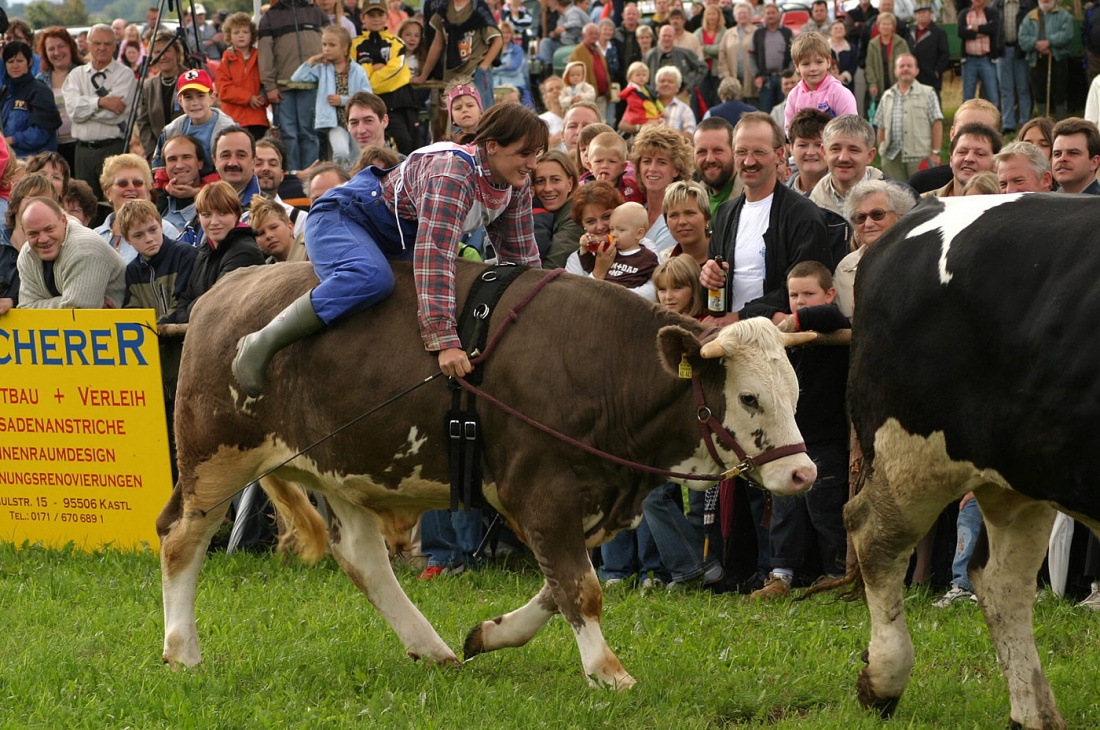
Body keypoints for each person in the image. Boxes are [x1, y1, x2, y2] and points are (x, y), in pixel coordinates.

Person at [232, 103, 548, 397]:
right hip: (344, 217)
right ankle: (263, 341)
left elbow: (522, 259)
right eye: (525, 154)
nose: (532, 165)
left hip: (398, 240)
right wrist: (445, 341)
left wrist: (539, 321)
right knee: (372, 277)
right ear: (492, 146)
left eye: (537, 154)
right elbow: (435, 255)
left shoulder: (515, 181)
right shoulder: (453, 172)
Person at [752, 260, 850, 598]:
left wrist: (793, 321)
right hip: (790, 441)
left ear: (830, 293)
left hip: (825, 440)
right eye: (794, 295)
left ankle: (837, 571)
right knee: (785, 509)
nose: (801, 301)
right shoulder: (783, 337)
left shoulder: (833, 324)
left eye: (809, 293)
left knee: (827, 510)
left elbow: (832, 318)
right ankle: (781, 575)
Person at [700, 110, 832, 325]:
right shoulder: (724, 214)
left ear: (779, 155)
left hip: (778, 340)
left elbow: (803, 289)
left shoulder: (803, 215)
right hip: (729, 335)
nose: (749, 161)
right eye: (741, 152)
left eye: (759, 152)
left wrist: (742, 317)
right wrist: (707, 277)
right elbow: (714, 287)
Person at [644, 253, 724, 590]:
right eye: (662, 289)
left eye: (677, 287)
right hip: (662, 427)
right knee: (656, 496)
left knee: (662, 497)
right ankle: (677, 569)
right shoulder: (657, 328)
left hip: (698, 428)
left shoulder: (707, 327)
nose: (668, 296)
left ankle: (692, 567)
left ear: (695, 287)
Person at [164, 181, 266, 324]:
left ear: (236, 215)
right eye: (206, 214)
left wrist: (189, 315)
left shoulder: (245, 251)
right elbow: (184, 299)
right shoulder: (204, 250)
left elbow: (214, 303)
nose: (214, 222)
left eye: (222, 213)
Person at [62, 24, 136, 200]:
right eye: (97, 43)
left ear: (115, 46)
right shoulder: (76, 75)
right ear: (88, 45)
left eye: (107, 43)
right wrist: (101, 102)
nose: (102, 48)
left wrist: (85, 108)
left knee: (116, 201)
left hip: (113, 148)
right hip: (82, 152)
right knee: (84, 205)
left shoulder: (124, 74)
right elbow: (73, 111)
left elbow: (116, 114)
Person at [15, 196, 126, 310]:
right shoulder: (27, 253)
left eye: (49, 229)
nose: (43, 239)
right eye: (33, 234)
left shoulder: (85, 248)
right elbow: (25, 308)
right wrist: (66, 301)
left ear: (63, 220)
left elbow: (78, 313)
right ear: (24, 231)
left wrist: (42, 304)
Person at [259, 0, 326, 173]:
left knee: (310, 133)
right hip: (282, 87)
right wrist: (269, 85)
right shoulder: (270, 16)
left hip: (313, 85)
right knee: (288, 136)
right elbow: (265, 54)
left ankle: (312, 177)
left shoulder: (316, 13)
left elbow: (331, 45)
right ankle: (292, 178)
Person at [833, 178, 916, 318]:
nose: (868, 223)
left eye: (877, 214)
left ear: (900, 217)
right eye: (861, 217)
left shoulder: (920, 259)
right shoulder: (845, 269)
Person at [292, 25, 372, 170]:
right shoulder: (323, 69)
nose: (326, 49)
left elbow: (367, 96)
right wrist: (312, 60)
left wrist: (342, 100)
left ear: (344, 47)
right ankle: (340, 181)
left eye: (331, 45)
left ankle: (354, 180)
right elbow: (297, 77)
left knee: (357, 155)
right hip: (334, 122)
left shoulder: (357, 70)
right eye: (324, 45)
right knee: (341, 152)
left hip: (356, 121)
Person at [353, 0, 420, 155]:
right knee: (375, 148)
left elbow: (398, 73)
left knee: (409, 143)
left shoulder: (397, 43)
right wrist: (376, 72)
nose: (376, 18)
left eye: (380, 14)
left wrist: (370, 76)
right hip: (368, 105)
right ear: (363, 17)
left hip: (400, 103)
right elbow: (358, 74)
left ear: (387, 16)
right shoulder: (354, 45)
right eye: (371, 15)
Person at [118, 198, 197, 323]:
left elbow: (184, 303)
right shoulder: (133, 271)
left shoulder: (184, 255)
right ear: (127, 239)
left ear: (161, 225)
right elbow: (132, 312)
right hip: (151, 339)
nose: (149, 239)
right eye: (138, 235)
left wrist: (157, 327)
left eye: (153, 230)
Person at [152, 70, 238, 182]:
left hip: (218, 192)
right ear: (180, 101)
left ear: (212, 97)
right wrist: (167, 186)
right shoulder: (172, 130)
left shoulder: (229, 131)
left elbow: (232, 171)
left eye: (200, 96)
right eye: (188, 97)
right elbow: (158, 166)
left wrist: (201, 190)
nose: (194, 102)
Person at [416, 0, 502, 110]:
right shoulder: (443, 10)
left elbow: (497, 39)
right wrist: (423, 76)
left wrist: (483, 68)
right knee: (458, 120)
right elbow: (437, 45)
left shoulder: (478, 8)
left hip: (475, 73)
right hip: (453, 76)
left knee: (484, 116)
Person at [96, 153, 181, 263]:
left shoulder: (165, 230)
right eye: (122, 183)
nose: (131, 188)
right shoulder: (95, 236)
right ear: (108, 193)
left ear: (147, 189)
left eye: (138, 183)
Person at [565, 199, 658, 298]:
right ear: (582, 225)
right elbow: (575, 298)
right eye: (591, 221)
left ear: (639, 233)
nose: (600, 227)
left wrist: (615, 296)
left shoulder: (647, 251)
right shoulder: (578, 258)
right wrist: (597, 267)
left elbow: (657, 286)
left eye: (606, 217)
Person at [907, 98, 1001, 193]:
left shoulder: (1008, 189)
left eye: (982, 131)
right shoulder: (922, 185)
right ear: (952, 134)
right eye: (965, 129)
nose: (969, 158)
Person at [874, 53, 943, 182]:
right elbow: (880, 125)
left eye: (909, 66)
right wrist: (882, 149)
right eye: (902, 66)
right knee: (895, 197)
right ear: (896, 71)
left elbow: (937, 124)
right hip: (892, 158)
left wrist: (935, 153)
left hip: (919, 157)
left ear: (916, 71)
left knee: (921, 197)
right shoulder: (887, 96)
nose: (905, 68)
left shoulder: (928, 93)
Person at [630, 122, 695, 253]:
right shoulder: (636, 211)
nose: (652, 169)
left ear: (676, 169)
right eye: (647, 161)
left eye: (661, 162)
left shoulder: (678, 220)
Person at [783, 31, 857, 136]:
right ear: (797, 66)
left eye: (819, 62)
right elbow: (789, 131)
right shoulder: (793, 96)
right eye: (806, 64)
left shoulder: (840, 93)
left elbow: (851, 129)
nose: (813, 69)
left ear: (828, 62)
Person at [810, 114, 883, 216]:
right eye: (835, 149)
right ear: (824, 153)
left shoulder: (897, 201)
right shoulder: (808, 206)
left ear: (870, 156)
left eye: (854, 150)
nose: (843, 158)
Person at [1, 42, 62, 159]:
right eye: (10, 62)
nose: (15, 66)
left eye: (19, 61)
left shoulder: (39, 90)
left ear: (29, 62)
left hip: (37, 163)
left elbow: (42, 132)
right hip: (10, 162)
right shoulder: (4, 92)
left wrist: (11, 140)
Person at [215, 13, 269, 143]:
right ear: (229, 36)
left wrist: (264, 97)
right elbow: (223, 89)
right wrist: (248, 98)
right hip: (233, 118)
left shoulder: (260, 57)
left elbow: (267, 81)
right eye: (236, 32)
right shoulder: (226, 59)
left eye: (245, 32)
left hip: (257, 118)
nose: (241, 35)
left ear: (252, 35)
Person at [34, 27, 82, 171]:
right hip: (52, 149)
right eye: (51, 48)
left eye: (61, 46)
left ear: (70, 47)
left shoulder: (83, 73)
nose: (57, 52)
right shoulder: (40, 80)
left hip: (81, 146)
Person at [134, 31, 186, 161]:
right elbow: (143, 122)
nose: (163, 56)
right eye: (157, 52)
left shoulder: (190, 77)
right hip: (159, 155)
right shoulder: (148, 85)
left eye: (167, 50)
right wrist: (153, 153)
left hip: (190, 152)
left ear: (177, 52)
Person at [1018, 0, 1073, 121]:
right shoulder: (1030, 16)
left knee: (1060, 92)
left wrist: (1049, 42)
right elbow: (1022, 38)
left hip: (1057, 59)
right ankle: (1043, 123)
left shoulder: (1064, 15)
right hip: (1036, 60)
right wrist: (1036, 44)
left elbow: (1067, 34)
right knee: (1039, 93)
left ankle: (1061, 122)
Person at [531, 150, 583, 268]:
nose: (548, 188)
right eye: (540, 181)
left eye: (555, 180)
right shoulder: (536, 211)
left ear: (570, 184)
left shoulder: (576, 215)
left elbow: (551, 268)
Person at [923, 122, 1001, 198]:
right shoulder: (922, 204)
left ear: (995, 164)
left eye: (980, 154)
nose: (969, 158)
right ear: (951, 159)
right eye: (962, 152)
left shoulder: (1009, 204)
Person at [158, 134, 215, 235]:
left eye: (186, 157)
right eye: (172, 159)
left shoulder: (216, 200)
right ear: (165, 167)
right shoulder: (155, 199)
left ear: (200, 163)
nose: (179, 165)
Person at [255, 138, 309, 236]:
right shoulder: (234, 214)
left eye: (273, 164)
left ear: (282, 175)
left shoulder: (300, 219)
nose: (266, 168)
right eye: (258, 164)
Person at [996, 0, 1034, 134]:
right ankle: (1008, 124)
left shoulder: (1026, 5)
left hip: (1021, 51)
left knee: (1023, 88)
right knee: (1005, 89)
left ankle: (1025, 122)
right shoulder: (997, 5)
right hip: (1003, 51)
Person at [750, 4, 793, 114]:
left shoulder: (787, 32)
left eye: (773, 13)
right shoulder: (758, 33)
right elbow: (751, 55)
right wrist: (757, 75)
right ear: (764, 15)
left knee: (785, 110)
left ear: (779, 15)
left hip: (783, 79)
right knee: (765, 113)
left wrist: (791, 73)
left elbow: (794, 54)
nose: (771, 16)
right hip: (765, 80)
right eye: (768, 13)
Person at [693, 116, 741, 213]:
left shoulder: (751, 197)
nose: (709, 159)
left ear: (734, 151)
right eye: (701, 151)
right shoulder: (691, 199)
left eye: (717, 150)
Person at [646, 25, 707, 100]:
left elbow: (703, 67)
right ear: (659, 36)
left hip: (680, 96)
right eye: (664, 36)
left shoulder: (685, 53)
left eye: (669, 36)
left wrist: (689, 88)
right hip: (655, 98)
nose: (666, 38)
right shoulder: (650, 55)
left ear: (674, 37)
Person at [958, 0, 1000, 104]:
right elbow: (961, 32)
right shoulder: (964, 13)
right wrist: (982, 33)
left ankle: (993, 119)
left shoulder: (992, 13)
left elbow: (993, 29)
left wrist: (974, 28)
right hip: (969, 61)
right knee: (967, 98)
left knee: (993, 97)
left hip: (987, 60)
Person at [864, 12, 909, 104]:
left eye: (888, 24)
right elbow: (869, 65)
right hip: (879, 84)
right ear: (878, 26)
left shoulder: (901, 43)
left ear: (893, 27)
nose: (886, 26)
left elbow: (907, 63)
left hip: (898, 84)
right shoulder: (872, 44)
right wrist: (873, 84)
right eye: (883, 24)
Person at [719, 2, 758, 107]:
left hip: (751, 78)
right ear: (735, 16)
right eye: (739, 13)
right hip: (733, 77)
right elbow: (722, 54)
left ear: (750, 15)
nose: (742, 15)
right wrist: (726, 74)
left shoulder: (757, 32)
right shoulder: (728, 33)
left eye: (745, 13)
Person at [249, 194, 309, 263]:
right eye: (261, 233)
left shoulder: (313, 252)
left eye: (274, 227)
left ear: (290, 226)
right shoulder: (264, 269)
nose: (268, 236)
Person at [586, 131, 643, 202]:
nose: (605, 166)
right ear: (590, 166)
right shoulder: (586, 192)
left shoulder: (632, 186)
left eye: (612, 161)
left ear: (623, 167)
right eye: (599, 161)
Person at [787, 108, 830, 196]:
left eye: (818, 145)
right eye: (802, 145)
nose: (810, 152)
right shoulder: (778, 185)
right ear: (791, 148)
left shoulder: (844, 188)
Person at [1051, 117, 1100, 195]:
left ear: (1094, 162)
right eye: (1057, 154)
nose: (1062, 158)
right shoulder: (1045, 203)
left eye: (1073, 153)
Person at [618, 62, 663, 132]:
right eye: (638, 75)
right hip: (640, 117)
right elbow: (636, 107)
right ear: (630, 77)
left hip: (650, 115)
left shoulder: (648, 89)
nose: (641, 77)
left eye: (644, 75)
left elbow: (655, 101)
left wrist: (660, 111)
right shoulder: (631, 91)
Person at [829, 21, 857, 94]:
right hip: (827, 82)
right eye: (836, 28)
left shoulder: (852, 48)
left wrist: (843, 76)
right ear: (830, 31)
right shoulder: (824, 47)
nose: (838, 30)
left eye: (841, 28)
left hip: (846, 84)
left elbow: (853, 65)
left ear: (845, 31)